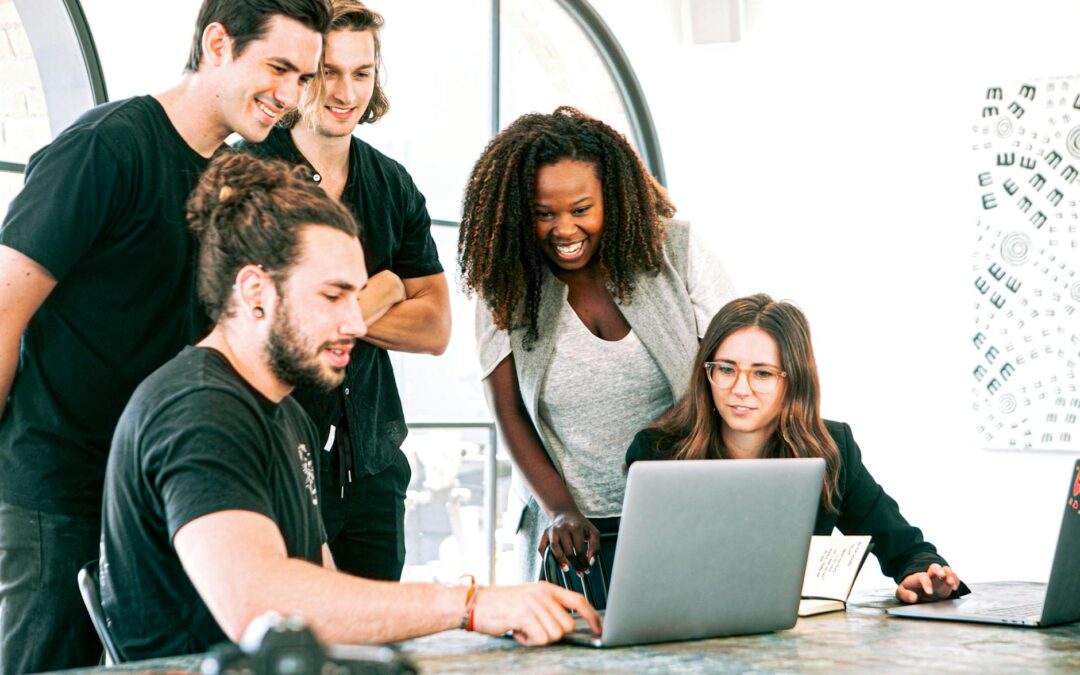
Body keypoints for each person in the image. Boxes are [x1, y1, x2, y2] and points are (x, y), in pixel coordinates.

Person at [99, 152, 599, 661]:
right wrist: (470, 605)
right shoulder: (198, 410)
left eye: (356, 296)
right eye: (333, 296)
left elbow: (328, 596)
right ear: (255, 290)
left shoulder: (287, 414)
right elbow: (262, 607)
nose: (358, 325)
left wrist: (485, 621)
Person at [0, 1, 332, 671]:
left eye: (304, 77)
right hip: (58, 486)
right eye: (278, 68)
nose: (291, 96)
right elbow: (5, 305)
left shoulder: (236, 174)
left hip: (162, 492)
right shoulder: (108, 146)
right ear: (217, 44)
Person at [458, 107, 735, 585]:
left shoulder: (678, 252)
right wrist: (560, 510)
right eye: (544, 214)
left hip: (684, 512)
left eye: (581, 209)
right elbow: (509, 413)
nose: (564, 230)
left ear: (615, 198)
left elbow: (730, 376)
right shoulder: (504, 282)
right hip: (571, 532)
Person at [240, 0, 450, 582]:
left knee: (372, 659)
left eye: (362, 73)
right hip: (274, 463)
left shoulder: (392, 184)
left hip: (374, 468)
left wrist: (327, 311)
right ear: (302, 73)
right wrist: (383, 290)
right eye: (329, 71)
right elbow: (258, 323)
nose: (345, 92)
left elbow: (435, 328)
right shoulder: (248, 174)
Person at [626, 294, 969, 603]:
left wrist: (922, 574)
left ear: (793, 381)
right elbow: (641, 574)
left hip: (793, 642)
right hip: (683, 635)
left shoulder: (832, 449)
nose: (740, 389)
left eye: (762, 374)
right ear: (707, 374)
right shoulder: (658, 451)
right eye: (726, 369)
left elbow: (904, 546)